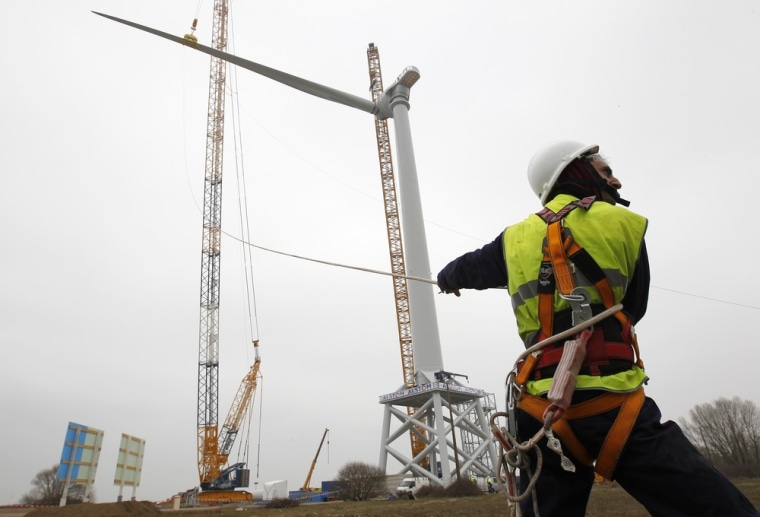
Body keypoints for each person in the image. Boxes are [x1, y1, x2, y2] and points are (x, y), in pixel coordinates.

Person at [436, 140, 759, 516]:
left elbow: (459, 270)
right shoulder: (622, 224)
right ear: (576, 173)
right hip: (614, 401)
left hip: (540, 410)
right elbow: (634, 308)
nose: (617, 181)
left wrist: (447, 280)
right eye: (606, 172)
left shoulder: (512, 240)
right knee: (712, 506)